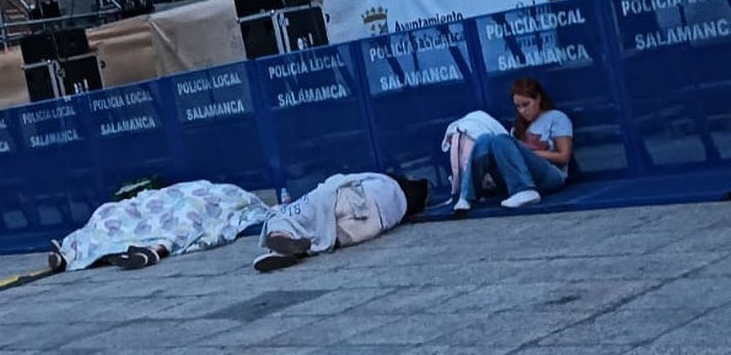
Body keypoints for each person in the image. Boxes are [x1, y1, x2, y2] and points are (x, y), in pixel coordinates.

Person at [47, 180, 271, 272]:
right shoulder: (170, 192)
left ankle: (153, 250)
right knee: (112, 213)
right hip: (160, 203)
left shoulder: (226, 194)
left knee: (187, 216)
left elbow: (232, 206)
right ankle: (69, 251)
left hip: (191, 203)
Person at [252, 173, 428, 272]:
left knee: (329, 233)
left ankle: (287, 247)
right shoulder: (386, 184)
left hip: (355, 213)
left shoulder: (280, 217)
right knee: (328, 225)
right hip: (361, 203)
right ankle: (286, 248)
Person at [454, 77, 573, 211]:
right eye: (518, 106)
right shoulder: (518, 127)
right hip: (513, 179)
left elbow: (564, 157)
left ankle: (525, 190)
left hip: (550, 176)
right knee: (484, 139)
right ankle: (466, 197)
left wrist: (527, 152)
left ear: (538, 99)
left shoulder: (556, 117)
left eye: (526, 104)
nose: (522, 110)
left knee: (501, 139)